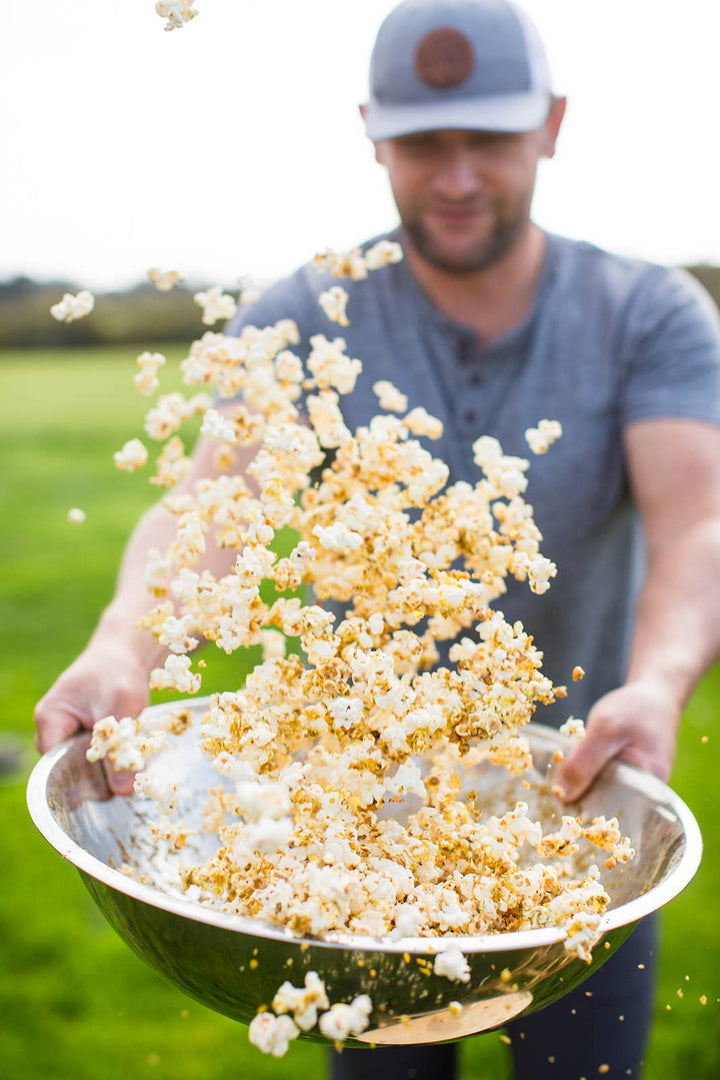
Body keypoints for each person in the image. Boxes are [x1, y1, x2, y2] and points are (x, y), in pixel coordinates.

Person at [35, 0, 720, 1077]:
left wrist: (661, 685)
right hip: (355, 825)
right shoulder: (308, 317)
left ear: (551, 124)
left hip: (575, 799)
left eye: (487, 139)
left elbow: (698, 526)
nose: (455, 177)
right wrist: (127, 645)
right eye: (422, 144)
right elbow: (212, 504)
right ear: (372, 134)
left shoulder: (647, 313)